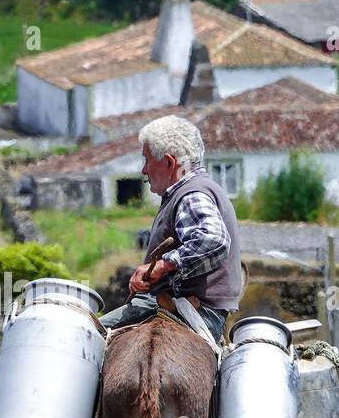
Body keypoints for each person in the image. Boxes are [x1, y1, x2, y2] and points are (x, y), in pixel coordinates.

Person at [99, 115, 243, 345]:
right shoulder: (198, 189)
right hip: (200, 311)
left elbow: (213, 238)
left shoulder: (191, 195)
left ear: (168, 162)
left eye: (146, 160)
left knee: (89, 334)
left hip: (191, 311)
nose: (143, 170)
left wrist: (164, 265)